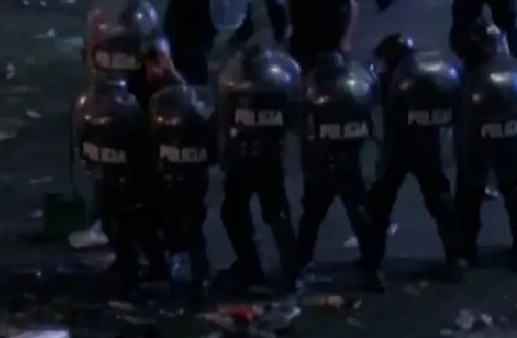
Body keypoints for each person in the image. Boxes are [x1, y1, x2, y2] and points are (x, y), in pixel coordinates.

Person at [366, 35, 464, 282]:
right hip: (428, 148)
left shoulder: (388, 83)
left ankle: (373, 263)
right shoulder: (430, 81)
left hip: (396, 150)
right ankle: (456, 258)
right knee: (440, 201)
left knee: (379, 205)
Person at [297, 52, 383, 289]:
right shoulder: (357, 95)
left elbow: (305, 133)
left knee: (312, 217)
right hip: (349, 165)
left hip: (323, 165)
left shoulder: (314, 98)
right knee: (359, 215)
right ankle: (373, 269)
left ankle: (298, 265)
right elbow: (369, 129)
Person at [217, 45, 301, 288]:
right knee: (276, 213)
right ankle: (290, 269)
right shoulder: (279, 92)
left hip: (241, 163)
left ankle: (250, 265)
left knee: (235, 213)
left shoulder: (235, 92)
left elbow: (225, 125)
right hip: (269, 161)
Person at [454, 26, 517, 268]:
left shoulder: (469, 76)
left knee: (470, 194)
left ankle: (465, 250)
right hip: (510, 136)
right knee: (515, 193)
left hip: (479, 139)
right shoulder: (516, 70)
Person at [75, 76, 166, 287]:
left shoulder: (132, 121)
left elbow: (145, 156)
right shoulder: (92, 120)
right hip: (109, 182)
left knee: (141, 227)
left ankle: (156, 268)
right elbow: (85, 151)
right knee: (114, 225)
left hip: (135, 186)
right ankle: (128, 264)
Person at [148, 81, 215, 304]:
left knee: (190, 228)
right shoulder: (189, 124)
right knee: (177, 224)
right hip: (180, 184)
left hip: (187, 185)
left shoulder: (194, 126)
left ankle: (198, 275)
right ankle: (187, 270)